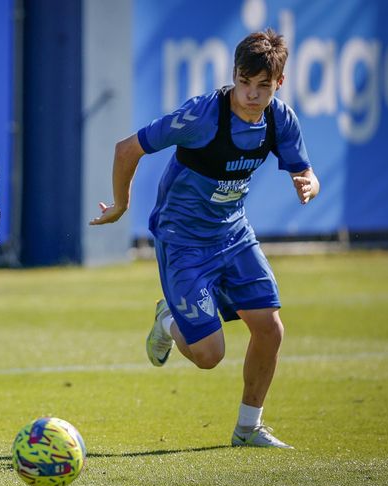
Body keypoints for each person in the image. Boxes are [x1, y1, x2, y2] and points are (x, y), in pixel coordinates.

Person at [90, 29, 319, 449]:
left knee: (270, 328)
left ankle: (248, 429)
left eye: (263, 87)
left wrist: (309, 183)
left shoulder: (279, 118)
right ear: (234, 75)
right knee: (209, 356)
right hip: (183, 241)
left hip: (234, 233)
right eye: (244, 83)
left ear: (279, 84)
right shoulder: (201, 116)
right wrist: (121, 206)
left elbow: (304, 169)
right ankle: (168, 318)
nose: (251, 95)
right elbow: (127, 149)